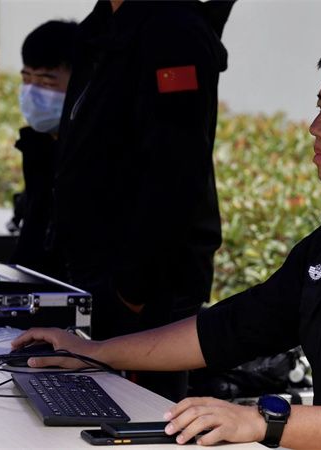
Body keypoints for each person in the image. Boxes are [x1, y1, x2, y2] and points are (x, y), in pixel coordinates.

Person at [13, 29, 321, 449]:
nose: (316, 127)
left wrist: (260, 421)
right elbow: (231, 329)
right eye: (319, 108)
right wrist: (96, 352)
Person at [50, 0, 235, 402]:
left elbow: (177, 171)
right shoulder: (103, 24)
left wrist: (131, 292)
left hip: (145, 285)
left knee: (138, 416)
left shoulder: (174, 31)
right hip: (96, 274)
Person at [9, 20, 78, 279]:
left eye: (47, 82)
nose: (32, 92)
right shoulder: (38, 146)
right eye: (27, 79)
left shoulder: (90, 153)